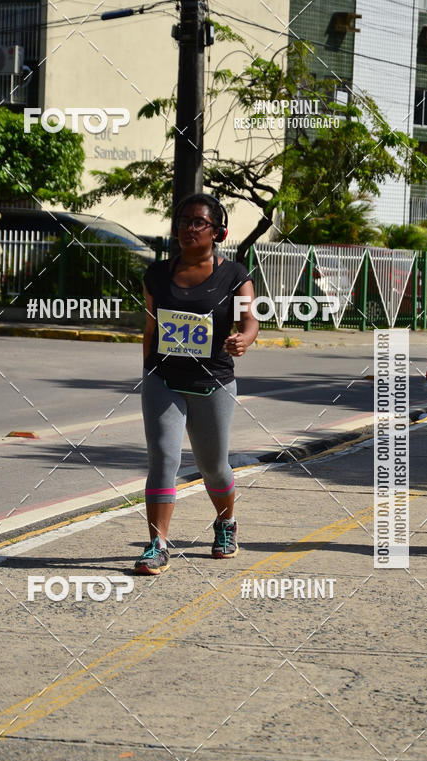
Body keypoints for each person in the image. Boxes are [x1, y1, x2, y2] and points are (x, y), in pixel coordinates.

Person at [134, 193, 259, 575]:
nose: (189, 228)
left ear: (218, 231)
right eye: (184, 220)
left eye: (198, 222)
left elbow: (249, 320)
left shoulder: (234, 275)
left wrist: (245, 339)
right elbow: (151, 328)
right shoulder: (157, 274)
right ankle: (157, 544)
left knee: (213, 466)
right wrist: (146, 374)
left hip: (213, 382)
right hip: (163, 379)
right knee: (163, 458)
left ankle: (225, 523)